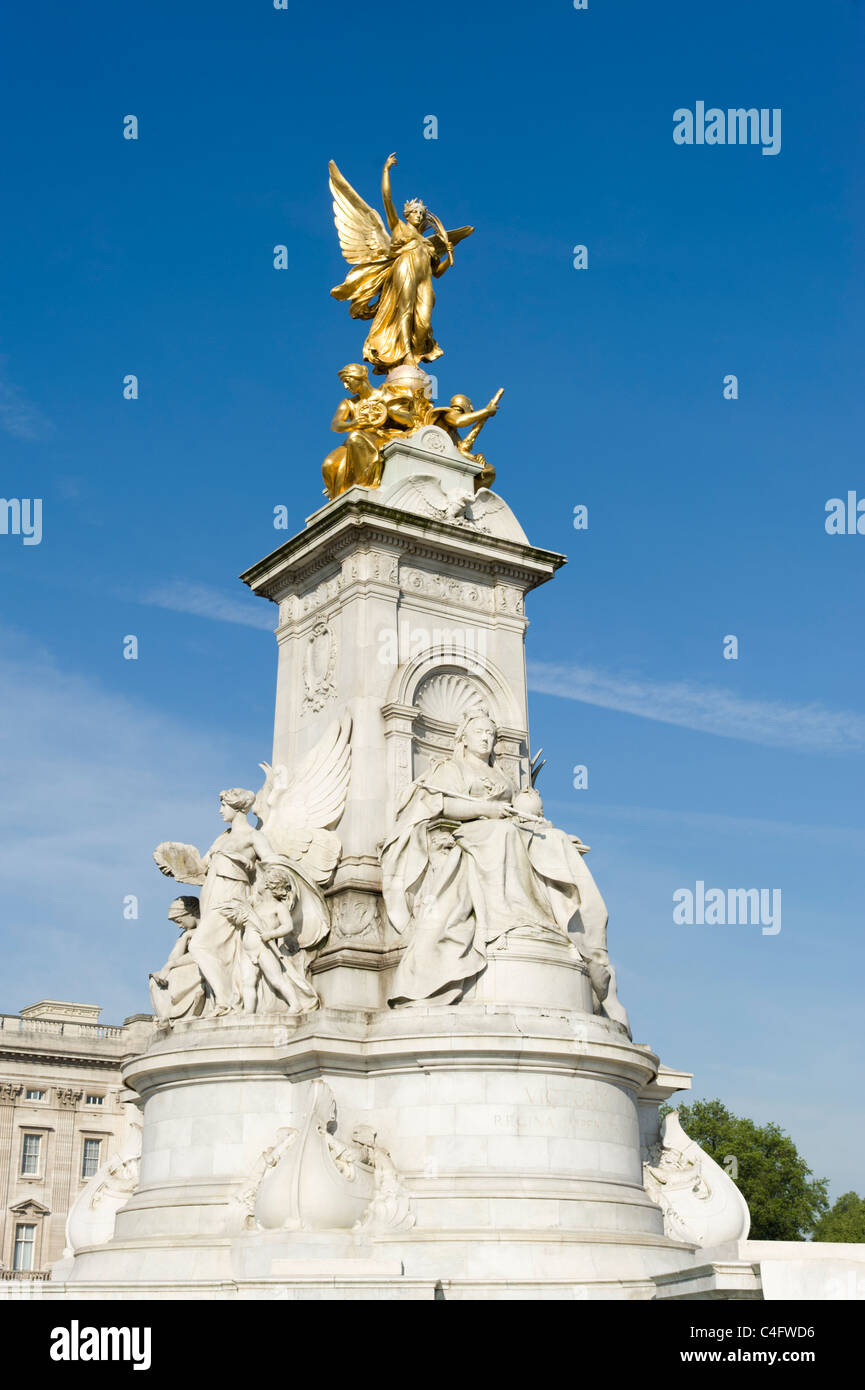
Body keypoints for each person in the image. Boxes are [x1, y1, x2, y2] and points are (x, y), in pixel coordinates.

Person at [381, 709, 630, 1030]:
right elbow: (439, 805)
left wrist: (543, 828)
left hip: (507, 831)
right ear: (463, 738)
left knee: (557, 843)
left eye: (491, 734)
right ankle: (509, 924)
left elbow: (520, 815)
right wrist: (486, 810)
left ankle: (583, 944)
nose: (486, 738)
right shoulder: (451, 769)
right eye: (480, 732)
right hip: (465, 831)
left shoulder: (503, 778)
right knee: (504, 835)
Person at [148, 896, 205, 1023]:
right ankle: (167, 1018)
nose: (179, 926)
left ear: (192, 913)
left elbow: (202, 954)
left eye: (179, 921)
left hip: (205, 966)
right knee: (154, 980)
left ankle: (176, 1015)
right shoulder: (187, 933)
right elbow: (173, 959)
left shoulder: (208, 929)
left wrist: (171, 965)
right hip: (188, 967)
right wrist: (184, 938)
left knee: (175, 974)